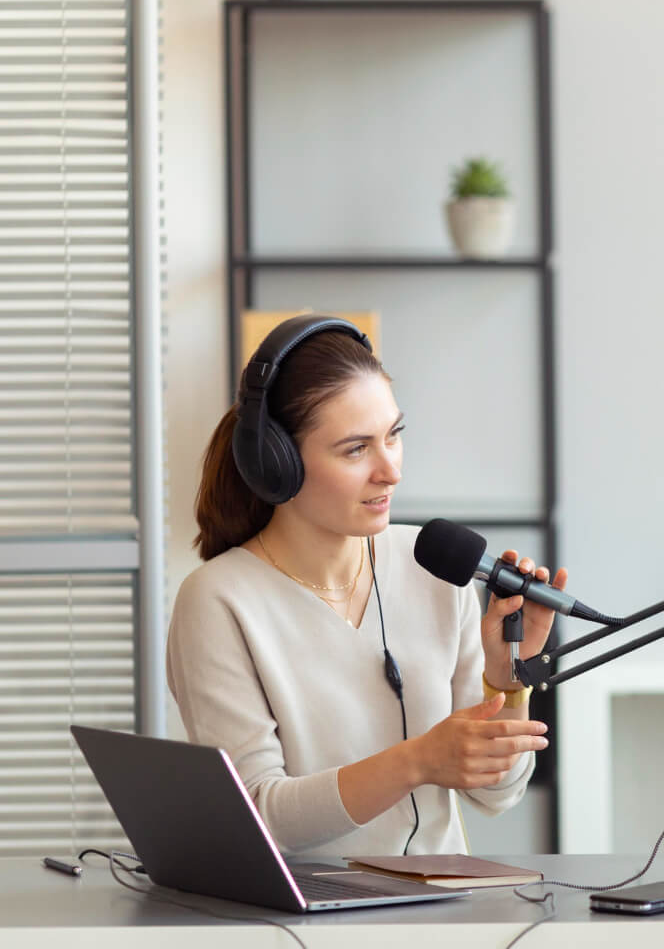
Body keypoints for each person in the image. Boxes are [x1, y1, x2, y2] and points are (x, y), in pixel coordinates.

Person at [168, 315, 556, 857]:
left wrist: (504, 674)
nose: (390, 470)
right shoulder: (218, 601)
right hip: (299, 925)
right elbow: (256, 816)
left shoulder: (433, 565)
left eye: (394, 436)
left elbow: (497, 794)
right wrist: (417, 761)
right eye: (355, 449)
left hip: (440, 916)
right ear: (276, 464)